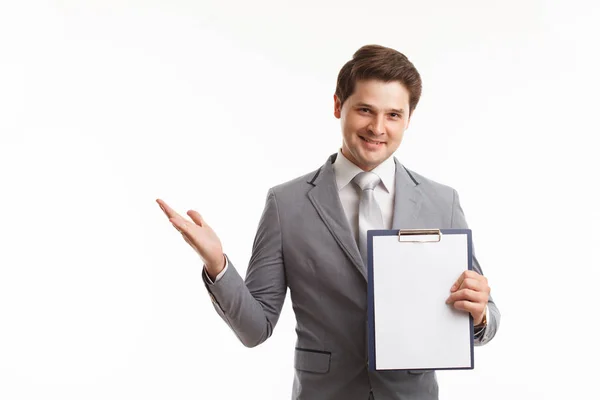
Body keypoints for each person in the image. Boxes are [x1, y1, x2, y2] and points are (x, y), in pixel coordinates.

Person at [156, 44, 500, 400]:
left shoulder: (442, 201)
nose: (378, 128)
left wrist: (480, 315)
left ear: (409, 118)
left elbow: (484, 317)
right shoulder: (285, 204)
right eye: (365, 110)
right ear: (338, 106)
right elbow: (255, 329)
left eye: (393, 115)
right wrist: (218, 264)